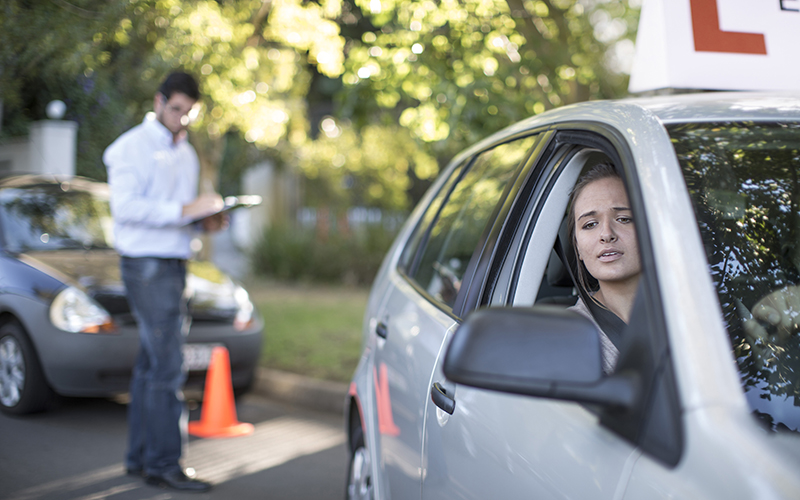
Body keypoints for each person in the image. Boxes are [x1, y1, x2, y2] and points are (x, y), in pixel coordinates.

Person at [103, 71, 224, 493]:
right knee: (168, 365)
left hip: (174, 263)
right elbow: (126, 208)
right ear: (158, 102)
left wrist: (205, 220)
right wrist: (187, 207)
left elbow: (180, 215)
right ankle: (164, 465)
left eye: (190, 112)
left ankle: (140, 459)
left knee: (151, 365)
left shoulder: (186, 153)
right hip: (145, 265)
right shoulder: (128, 149)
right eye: (177, 109)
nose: (183, 119)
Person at [565, 163, 641, 374]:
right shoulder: (565, 335)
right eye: (590, 224)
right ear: (578, 248)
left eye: (624, 219)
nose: (606, 234)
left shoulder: (701, 312)